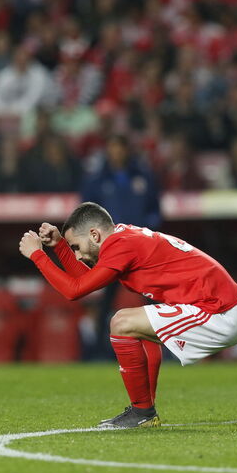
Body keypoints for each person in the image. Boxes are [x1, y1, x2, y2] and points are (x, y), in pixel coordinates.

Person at [18, 202, 237, 429]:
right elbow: (84, 281)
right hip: (223, 308)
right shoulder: (122, 238)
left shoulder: (121, 245)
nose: (76, 256)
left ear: (94, 235)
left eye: (76, 247)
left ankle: (142, 412)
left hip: (219, 311)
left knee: (122, 322)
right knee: (137, 328)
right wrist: (60, 245)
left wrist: (37, 255)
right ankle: (144, 412)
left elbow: (74, 290)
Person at [80, 135, 162, 359]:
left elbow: (155, 211)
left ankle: (166, 349)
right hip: (111, 251)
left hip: (140, 251)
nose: (116, 153)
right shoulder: (97, 180)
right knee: (106, 301)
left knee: (152, 299)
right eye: (112, 148)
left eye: (120, 148)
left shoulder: (143, 176)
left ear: (127, 150)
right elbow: (86, 215)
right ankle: (98, 351)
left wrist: (146, 234)